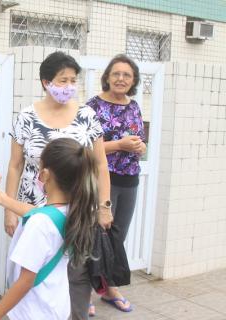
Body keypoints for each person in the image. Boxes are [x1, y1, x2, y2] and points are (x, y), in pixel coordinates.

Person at [3, 51, 112, 319]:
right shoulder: (27, 116)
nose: (68, 87)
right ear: (45, 82)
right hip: (34, 210)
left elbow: (100, 164)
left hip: (77, 212)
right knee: (33, 274)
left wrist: (104, 205)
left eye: (73, 80)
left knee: (75, 276)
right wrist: (9, 210)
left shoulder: (87, 115)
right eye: (62, 81)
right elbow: (15, 165)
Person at [0, 138, 98, 320]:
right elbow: (41, 213)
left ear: (45, 175)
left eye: (39, 168)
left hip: (34, 311)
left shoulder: (40, 225)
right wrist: (5, 201)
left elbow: (25, 281)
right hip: (55, 304)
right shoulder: (73, 210)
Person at [86, 54, 146, 313]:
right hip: (100, 178)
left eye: (127, 75)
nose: (121, 79)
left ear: (133, 81)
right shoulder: (92, 107)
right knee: (93, 234)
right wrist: (120, 145)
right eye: (116, 74)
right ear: (107, 77)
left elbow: (140, 140)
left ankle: (109, 288)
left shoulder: (134, 106)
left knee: (117, 235)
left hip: (129, 178)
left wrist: (140, 146)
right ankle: (85, 291)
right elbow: (85, 147)